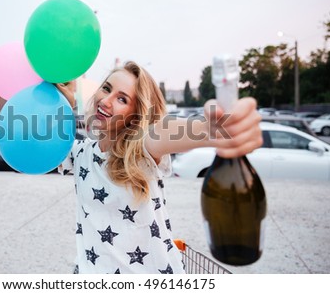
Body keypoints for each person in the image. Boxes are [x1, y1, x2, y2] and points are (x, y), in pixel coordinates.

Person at [56, 61, 262, 274]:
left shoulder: (137, 150)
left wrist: (209, 129)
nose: (106, 101)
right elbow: (35, 148)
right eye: (106, 88)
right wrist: (62, 99)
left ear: (135, 116)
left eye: (122, 99)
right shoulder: (81, 152)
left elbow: (162, 133)